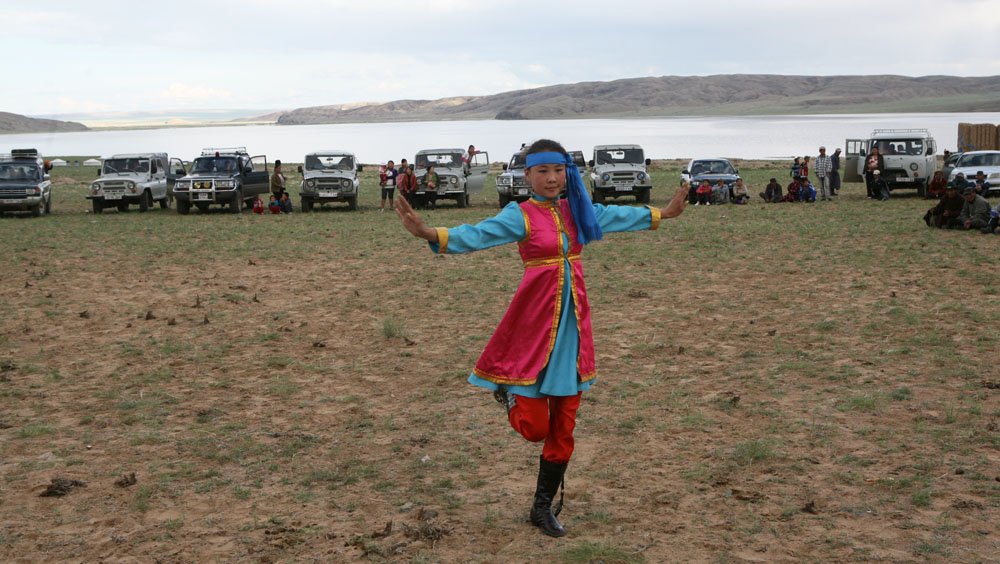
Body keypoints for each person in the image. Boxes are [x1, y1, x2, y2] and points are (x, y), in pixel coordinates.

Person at [394, 138, 688, 538]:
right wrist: (431, 232)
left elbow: (619, 215)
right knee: (534, 428)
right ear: (527, 175)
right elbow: (479, 234)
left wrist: (663, 213)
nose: (552, 179)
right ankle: (510, 393)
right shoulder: (521, 215)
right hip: (534, 327)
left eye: (558, 171)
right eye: (543, 171)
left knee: (563, 427)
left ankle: (542, 507)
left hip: (573, 330)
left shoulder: (579, 210)